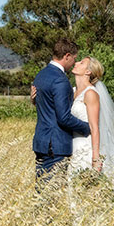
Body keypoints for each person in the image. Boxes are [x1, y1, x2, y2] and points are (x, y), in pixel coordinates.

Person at [33, 55, 114, 195]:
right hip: (71, 148)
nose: (76, 63)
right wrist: (35, 100)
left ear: (88, 72)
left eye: (81, 63)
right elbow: (55, 111)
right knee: (71, 191)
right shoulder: (71, 91)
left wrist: (95, 159)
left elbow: (95, 128)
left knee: (83, 192)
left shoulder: (90, 94)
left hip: (85, 148)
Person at [32, 38, 91, 191]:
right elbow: (63, 118)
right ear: (66, 56)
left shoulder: (41, 75)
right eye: (74, 58)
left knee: (42, 191)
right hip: (55, 146)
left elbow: (45, 104)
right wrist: (87, 127)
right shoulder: (61, 80)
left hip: (41, 143)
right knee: (51, 195)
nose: (74, 63)